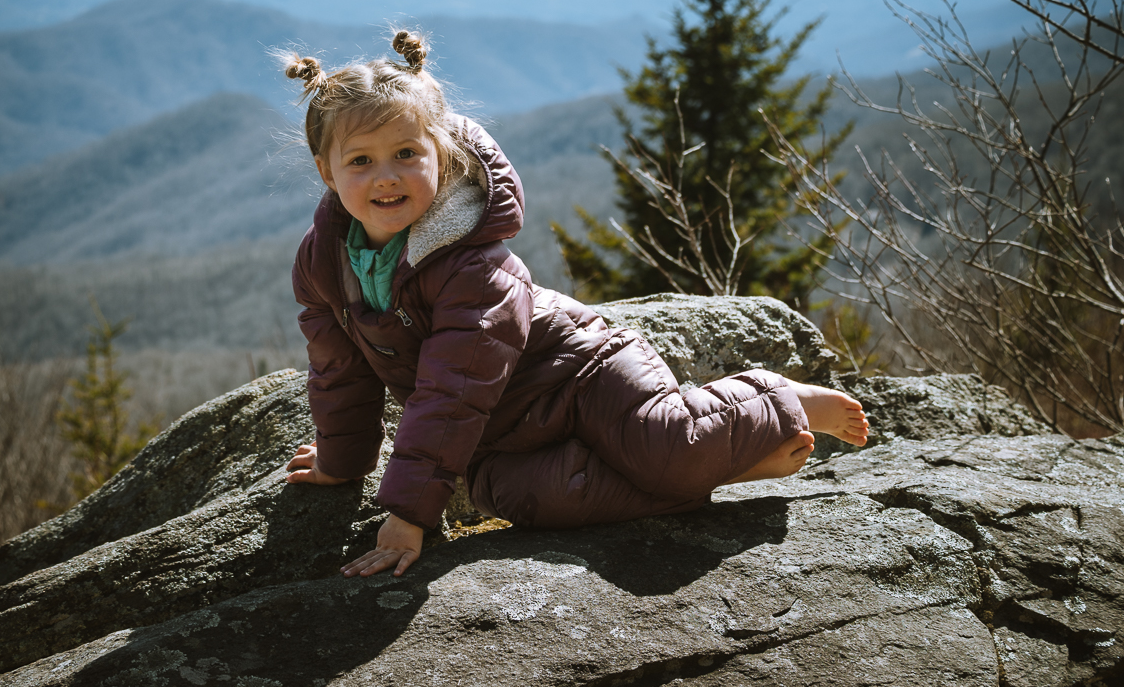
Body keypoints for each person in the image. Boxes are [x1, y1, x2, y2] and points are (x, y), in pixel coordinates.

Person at [283, 31, 869, 580]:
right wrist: (342, 460)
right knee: (534, 500)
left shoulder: (473, 268)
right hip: (500, 432)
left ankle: (777, 400)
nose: (386, 177)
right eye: (360, 160)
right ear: (325, 172)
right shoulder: (325, 266)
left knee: (668, 445)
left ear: (442, 152)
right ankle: (732, 467)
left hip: (584, 375)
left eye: (407, 152)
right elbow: (340, 373)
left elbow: (453, 388)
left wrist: (409, 514)